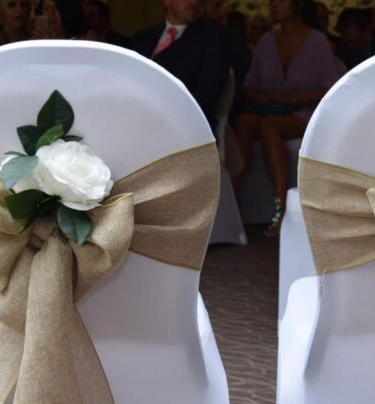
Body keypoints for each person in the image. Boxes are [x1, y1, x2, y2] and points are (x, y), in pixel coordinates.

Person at [234, 0, 342, 237]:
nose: (273, 6)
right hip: (269, 109)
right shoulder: (267, 40)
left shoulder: (317, 41)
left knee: (268, 125)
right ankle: (236, 200)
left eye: (279, 1)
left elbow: (330, 88)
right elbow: (250, 84)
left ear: (297, 5)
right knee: (243, 122)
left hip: (304, 113)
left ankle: (282, 208)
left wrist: (290, 98)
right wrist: (263, 97)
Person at [130, 0, 230, 132]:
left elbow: (205, 97)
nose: (194, 2)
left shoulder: (212, 38)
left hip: (180, 128)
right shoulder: (143, 38)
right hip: (134, 118)